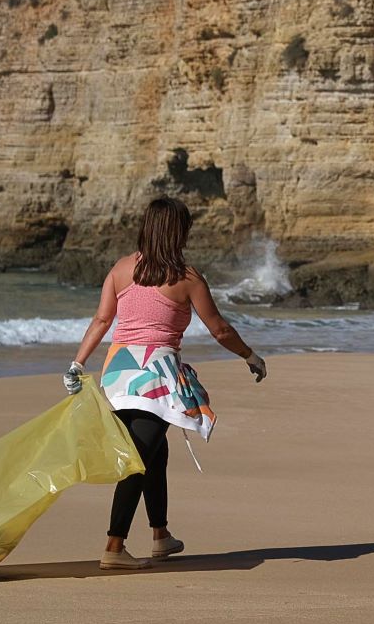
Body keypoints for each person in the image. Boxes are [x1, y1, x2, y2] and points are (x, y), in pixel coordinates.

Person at [63, 198, 267, 570]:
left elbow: (102, 320)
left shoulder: (121, 269)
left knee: (155, 452)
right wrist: (250, 356)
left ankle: (161, 535)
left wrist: (78, 364)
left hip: (119, 373)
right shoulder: (187, 278)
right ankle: (114, 547)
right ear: (180, 232)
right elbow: (219, 329)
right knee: (138, 458)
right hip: (155, 376)